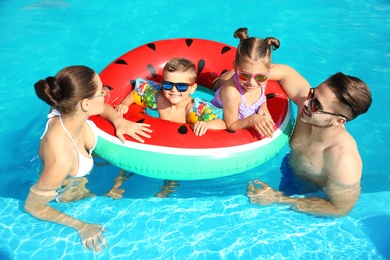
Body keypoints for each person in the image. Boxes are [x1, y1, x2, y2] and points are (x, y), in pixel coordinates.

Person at [24, 65, 152, 253]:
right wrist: (82, 226)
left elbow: (101, 108)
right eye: (102, 90)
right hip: (72, 192)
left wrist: (118, 120)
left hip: (83, 160)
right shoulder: (61, 157)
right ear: (85, 103)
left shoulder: (66, 105)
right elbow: (33, 206)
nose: (107, 92)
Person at [247, 64, 372, 217]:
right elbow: (286, 73)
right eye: (312, 93)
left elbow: (340, 209)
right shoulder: (308, 111)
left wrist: (277, 198)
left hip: (303, 196)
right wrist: (242, 75)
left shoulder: (343, 159)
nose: (306, 102)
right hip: (286, 171)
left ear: (338, 121)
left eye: (316, 105)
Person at [116, 57, 226, 136]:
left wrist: (208, 124)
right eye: (168, 84)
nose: (174, 90)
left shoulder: (196, 109)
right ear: (161, 83)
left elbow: (222, 123)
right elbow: (137, 93)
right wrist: (125, 103)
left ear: (192, 88)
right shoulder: (157, 97)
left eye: (181, 86)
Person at [211, 28, 279, 138]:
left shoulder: (262, 82)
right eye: (245, 75)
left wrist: (263, 107)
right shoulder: (232, 93)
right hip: (218, 122)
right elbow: (231, 125)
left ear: (269, 71)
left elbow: (262, 98)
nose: (252, 82)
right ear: (234, 67)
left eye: (260, 76)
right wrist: (252, 119)